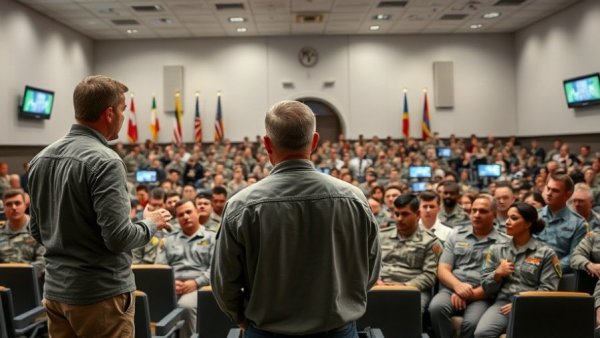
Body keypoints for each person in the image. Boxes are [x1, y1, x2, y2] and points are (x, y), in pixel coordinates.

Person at [211, 100, 381, 337]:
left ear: (267, 144)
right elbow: (370, 271)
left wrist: (242, 318)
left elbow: (224, 283)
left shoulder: (241, 206)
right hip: (337, 330)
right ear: (314, 142)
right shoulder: (354, 199)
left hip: (266, 331)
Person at [27, 75, 172, 337]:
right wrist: (151, 223)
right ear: (109, 113)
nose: (123, 117)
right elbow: (118, 238)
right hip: (99, 297)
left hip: (55, 293)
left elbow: (36, 230)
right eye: (123, 110)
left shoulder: (40, 159)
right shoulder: (106, 161)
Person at [474, 202, 561, 337]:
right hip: (503, 303)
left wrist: (522, 305)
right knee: (482, 334)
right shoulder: (497, 249)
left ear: (528, 224)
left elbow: (548, 290)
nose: (507, 222)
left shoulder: (546, 253)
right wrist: (497, 274)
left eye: (514, 218)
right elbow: (486, 286)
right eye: (507, 217)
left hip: (533, 307)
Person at [428, 194, 508, 338]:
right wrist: (458, 287)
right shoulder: (456, 235)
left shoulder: (504, 243)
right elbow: (443, 269)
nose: (477, 215)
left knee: (472, 323)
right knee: (436, 308)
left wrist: (468, 295)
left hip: (482, 294)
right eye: (474, 210)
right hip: (451, 288)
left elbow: (498, 280)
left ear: (494, 215)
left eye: (483, 211)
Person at [156, 199, 216, 338]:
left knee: (185, 306)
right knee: (146, 302)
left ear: (197, 212)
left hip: (201, 286)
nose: (185, 217)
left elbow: (215, 268)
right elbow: (160, 268)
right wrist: (170, 283)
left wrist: (196, 283)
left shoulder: (212, 237)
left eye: (189, 212)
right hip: (172, 287)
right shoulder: (169, 240)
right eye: (181, 215)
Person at [378, 193, 442, 314]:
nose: (399, 218)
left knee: (409, 312)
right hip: (379, 286)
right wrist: (376, 281)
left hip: (412, 289)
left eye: (405, 214)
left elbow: (430, 275)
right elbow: (368, 265)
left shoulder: (431, 241)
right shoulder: (382, 236)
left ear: (417, 214)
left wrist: (403, 287)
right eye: (396, 214)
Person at [535, 174, 587, 273]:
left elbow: (573, 256)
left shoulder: (579, 223)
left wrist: (550, 269)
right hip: (529, 268)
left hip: (555, 274)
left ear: (567, 195)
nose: (549, 193)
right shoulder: (534, 216)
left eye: (555, 190)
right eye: (548, 188)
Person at [0, 189, 45, 277]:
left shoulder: (38, 230)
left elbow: (43, 262)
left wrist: (19, 276)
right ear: (4, 208)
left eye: (17, 203)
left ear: (25, 205)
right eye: (9, 204)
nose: (13, 207)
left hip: (32, 282)